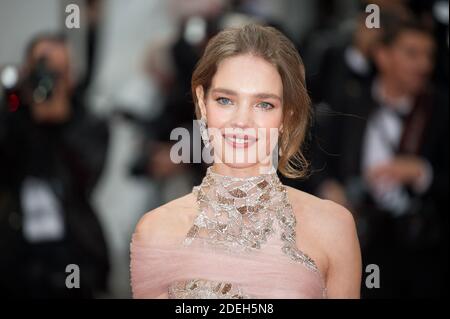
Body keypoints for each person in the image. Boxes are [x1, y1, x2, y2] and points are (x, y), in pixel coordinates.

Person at [130, 24, 361, 299]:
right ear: (203, 104)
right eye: (225, 100)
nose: (241, 121)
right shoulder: (156, 232)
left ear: (286, 116)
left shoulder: (334, 228)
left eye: (263, 104)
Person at [314, 15, 448, 298]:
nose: (423, 65)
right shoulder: (349, 101)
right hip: (356, 238)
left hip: (419, 249)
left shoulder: (440, 111)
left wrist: (423, 173)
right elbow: (315, 159)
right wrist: (329, 189)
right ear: (383, 56)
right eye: (412, 54)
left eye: (429, 55)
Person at [0, 33, 110, 298]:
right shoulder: (13, 118)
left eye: (59, 72)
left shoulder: (89, 123)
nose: (50, 80)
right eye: (43, 69)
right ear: (27, 71)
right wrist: (21, 114)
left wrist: (60, 125)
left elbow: (85, 181)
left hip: (74, 253)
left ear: (71, 77)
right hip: (16, 256)